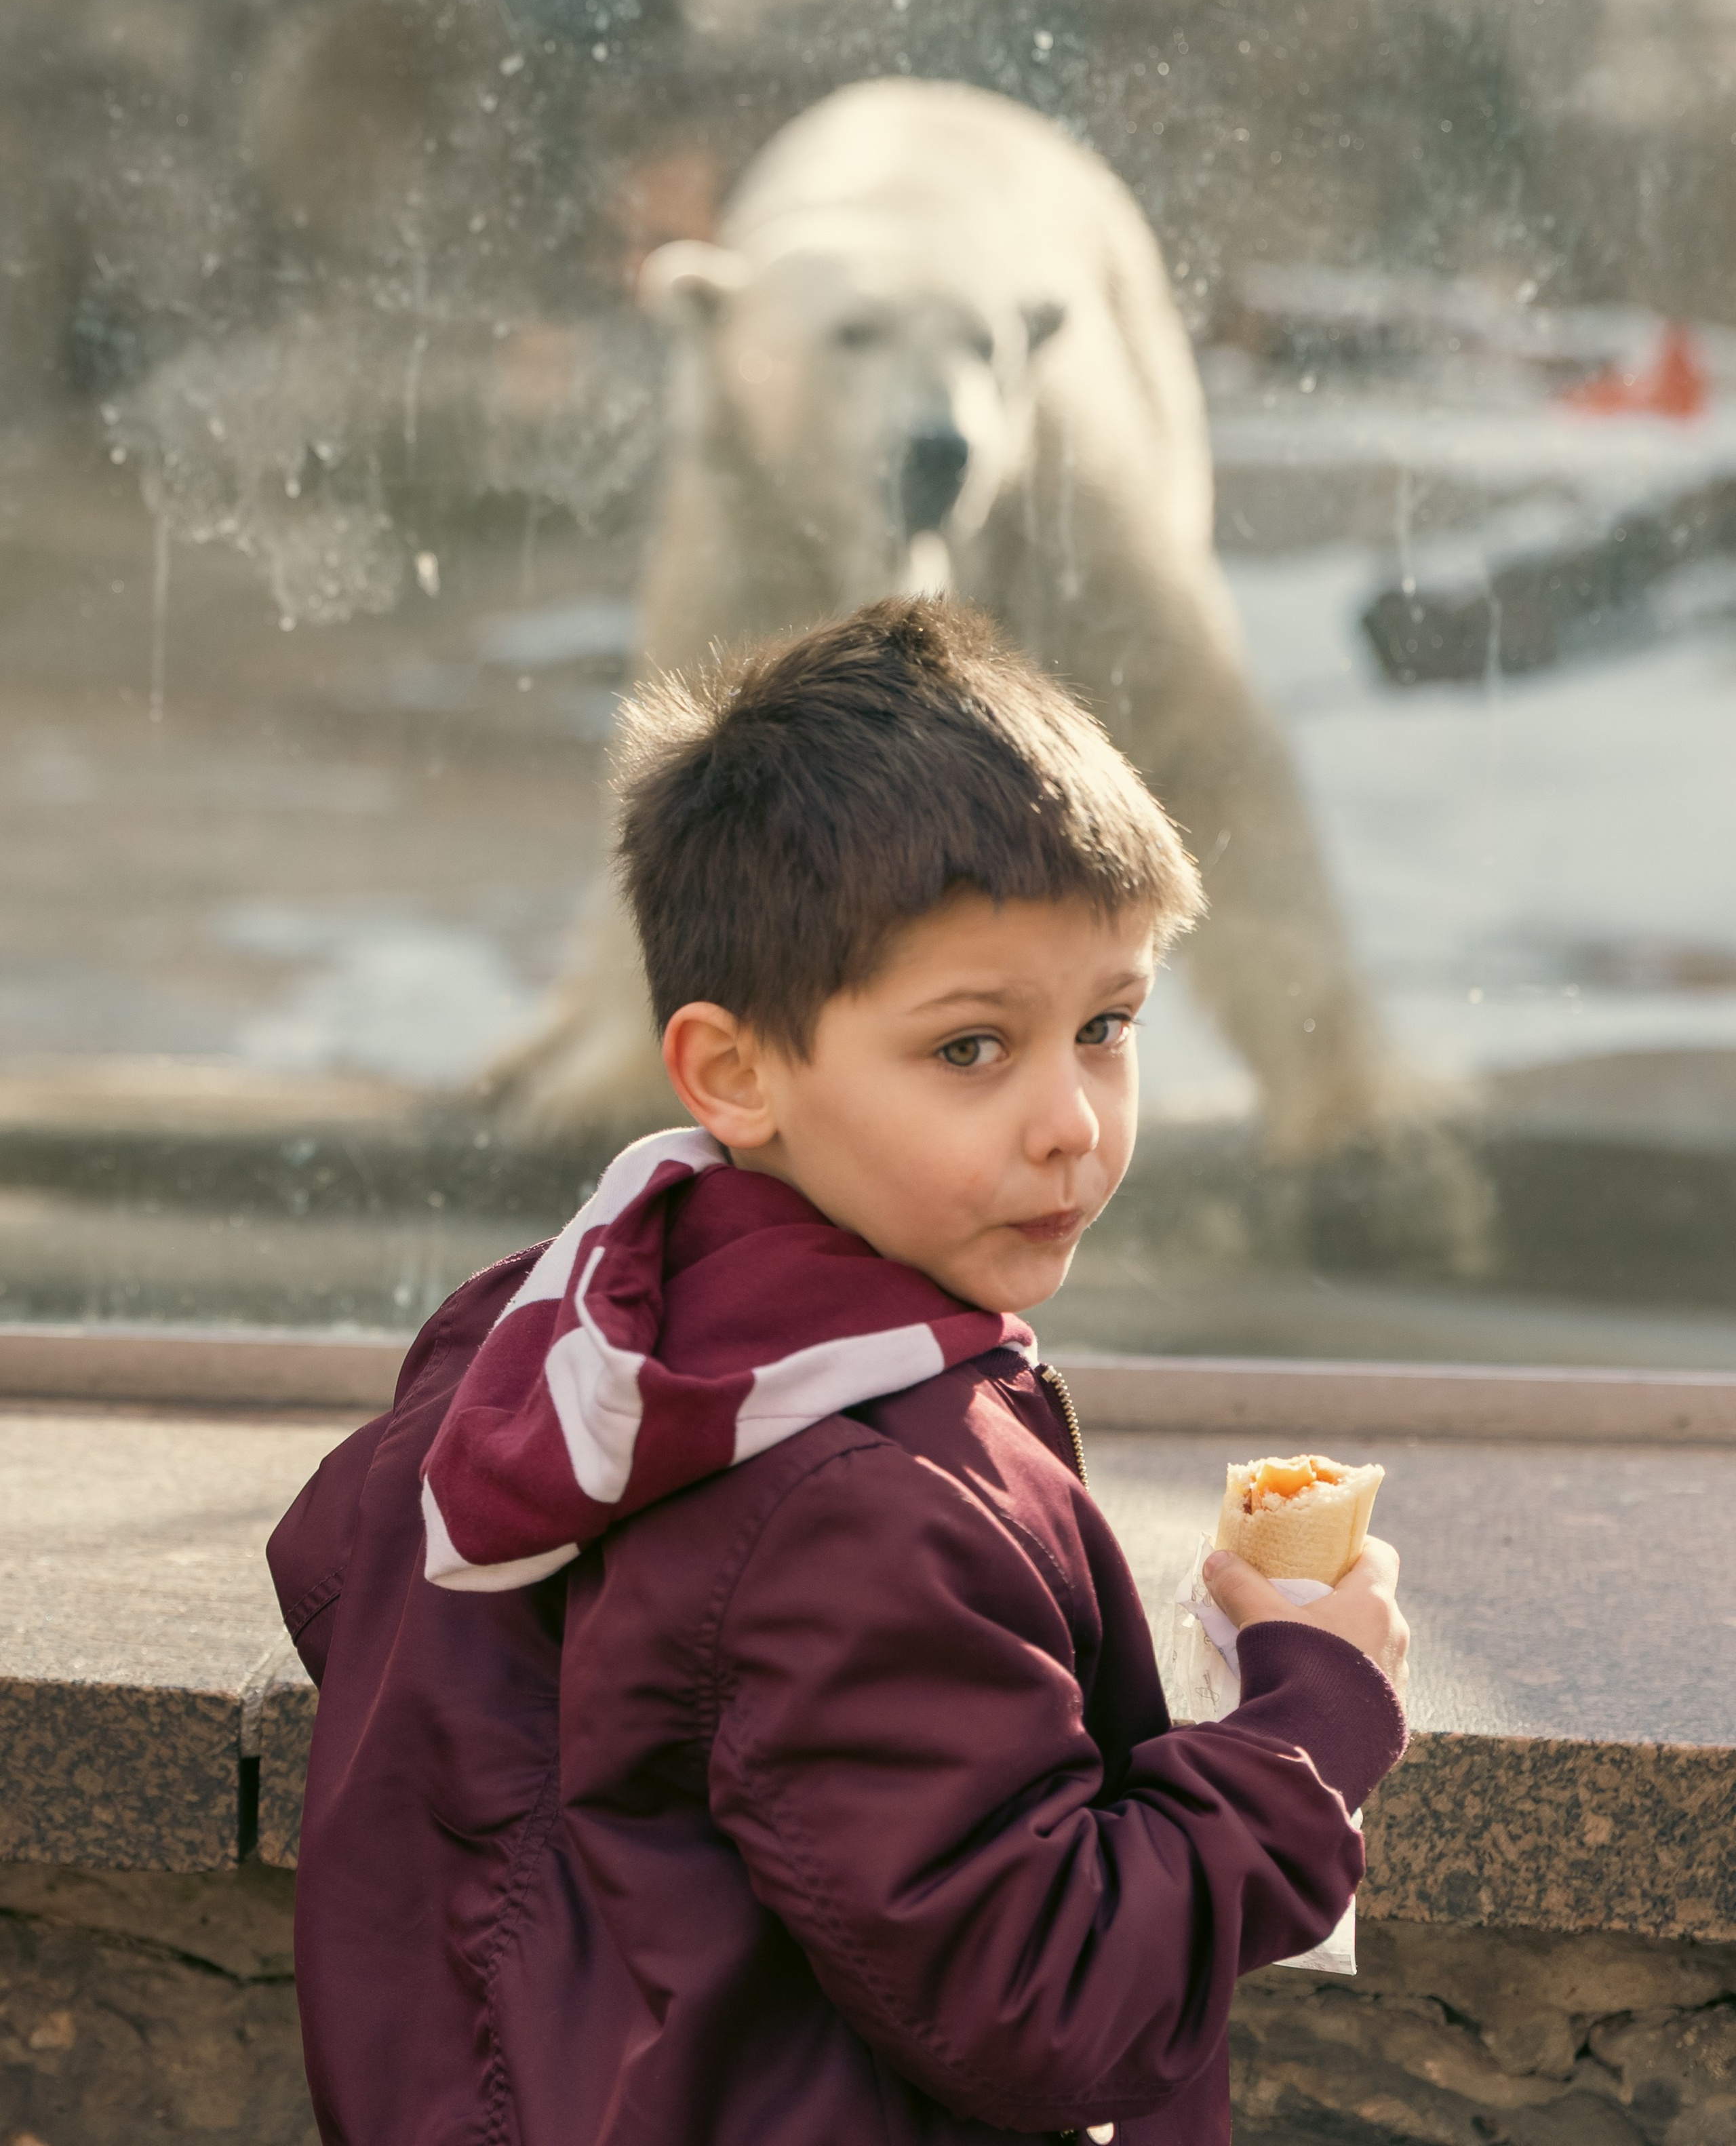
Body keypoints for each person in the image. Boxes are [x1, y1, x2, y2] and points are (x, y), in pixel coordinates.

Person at [269, 596, 1408, 2146]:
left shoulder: (573, 1341)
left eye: (1106, 1025)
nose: (1070, 1119)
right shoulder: (857, 1501)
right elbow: (1048, 1999)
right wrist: (1306, 1720)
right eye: (968, 1049)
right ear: (734, 1074)